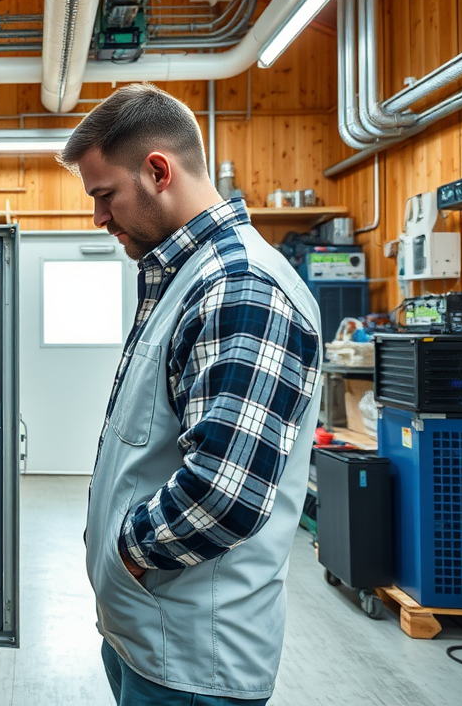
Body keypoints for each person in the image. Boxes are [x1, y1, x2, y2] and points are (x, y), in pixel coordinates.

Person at [59, 83, 322, 706]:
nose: (98, 217)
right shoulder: (188, 277)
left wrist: (126, 553)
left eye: (104, 195)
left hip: (193, 660)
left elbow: (225, 492)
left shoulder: (239, 288)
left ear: (157, 171)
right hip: (151, 632)